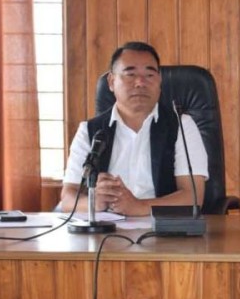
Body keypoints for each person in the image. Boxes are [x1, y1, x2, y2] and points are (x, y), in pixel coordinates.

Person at [60, 41, 208, 216]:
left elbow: (193, 197)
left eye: (150, 75)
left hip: (164, 232)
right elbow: (68, 198)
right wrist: (94, 201)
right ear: (111, 82)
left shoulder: (181, 126)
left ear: (159, 81)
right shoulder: (90, 131)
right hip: (105, 234)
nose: (140, 83)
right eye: (130, 74)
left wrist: (139, 207)